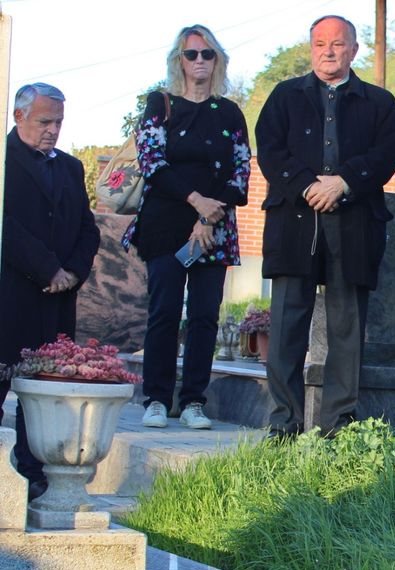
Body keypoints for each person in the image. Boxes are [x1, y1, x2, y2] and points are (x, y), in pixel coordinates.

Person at [256, 15, 395, 438]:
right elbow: (269, 150)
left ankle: (337, 426)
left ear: (354, 50)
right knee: (286, 327)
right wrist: (307, 185)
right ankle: (284, 424)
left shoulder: (380, 102)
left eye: (338, 44)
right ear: (311, 48)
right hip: (295, 222)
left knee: (346, 327)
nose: (328, 51)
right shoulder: (284, 96)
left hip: (353, 222)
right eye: (320, 43)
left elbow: (386, 154)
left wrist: (344, 182)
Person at [124, 25, 250, 431]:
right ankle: (157, 399)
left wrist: (208, 214)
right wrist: (196, 202)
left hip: (213, 227)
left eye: (206, 54)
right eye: (190, 54)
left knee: (204, 315)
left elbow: (241, 170)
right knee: (163, 312)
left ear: (218, 60)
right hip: (166, 222)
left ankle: (194, 400)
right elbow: (152, 162)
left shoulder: (229, 112)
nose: (199, 61)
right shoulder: (160, 104)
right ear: (178, 60)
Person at [0, 83, 100, 500]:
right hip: (11, 295)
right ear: (19, 116)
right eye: (44, 121)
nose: (53, 130)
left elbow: (86, 228)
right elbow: (7, 225)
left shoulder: (70, 168)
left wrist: (72, 272)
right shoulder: (4, 160)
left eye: (58, 122)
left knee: (43, 389)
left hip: (57, 299)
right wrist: (47, 268)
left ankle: (32, 472)